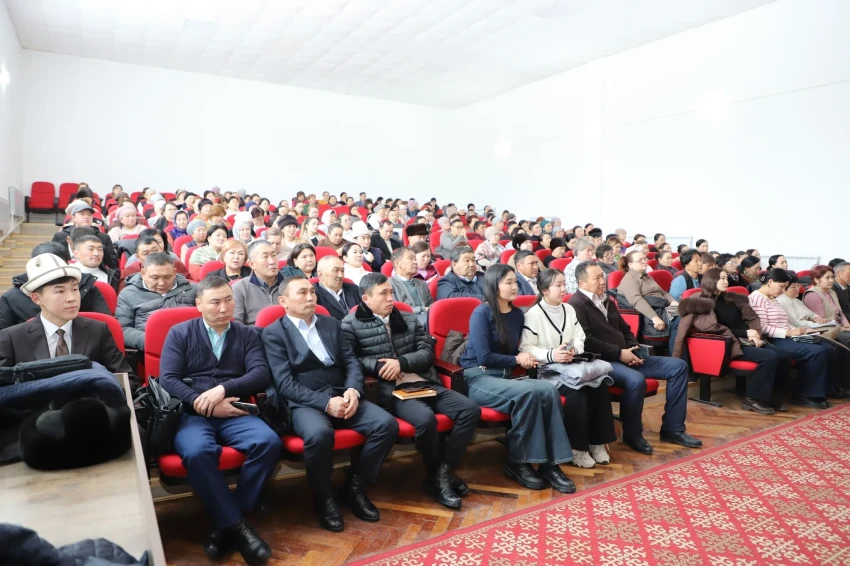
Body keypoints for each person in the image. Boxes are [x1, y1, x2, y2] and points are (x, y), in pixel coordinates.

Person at [159, 277, 278, 564]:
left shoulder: (246, 334)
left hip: (233, 408)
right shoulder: (180, 332)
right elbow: (168, 379)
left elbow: (260, 373)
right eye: (215, 302)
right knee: (197, 452)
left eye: (228, 300)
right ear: (199, 304)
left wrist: (223, 390)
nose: (224, 308)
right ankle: (238, 527)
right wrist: (205, 405)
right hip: (192, 412)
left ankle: (227, 524)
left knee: (269, 442)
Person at [263, 276, 398, 532]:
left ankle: (355, 488)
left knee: (386, 424)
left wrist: (352, 390)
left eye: (312, 292)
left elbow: (351, 362)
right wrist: (326, 403)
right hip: (304, 401)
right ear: (283, 301)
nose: (310, 297)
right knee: (319, 434)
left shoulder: (331, 323)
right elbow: (284, 384)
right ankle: (324, 497)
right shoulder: (274, 333)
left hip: (342, 393)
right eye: (302, 293)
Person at [342, 274, 479, 508]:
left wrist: (402, 362)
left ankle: (442, 473)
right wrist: (378, 366)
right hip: (392, 390)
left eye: (391, 292)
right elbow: (351, 360)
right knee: (425, 419)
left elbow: (427, 351)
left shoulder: (407, 317)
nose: (390, 298)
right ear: (366, 298)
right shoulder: (350, 324)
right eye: (383, 294)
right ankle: (438, 476)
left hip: (423, 381)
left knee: (470, 410)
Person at [460, 265, 575, 492]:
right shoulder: (482, 313)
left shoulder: (516, 314)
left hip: (506, 377)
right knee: (528, 393)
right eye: (509, 282)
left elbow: (518, 351)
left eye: (515, 282)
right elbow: (484, 357)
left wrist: (530, 357)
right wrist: (517, 360)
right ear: (494, 286)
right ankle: (518, 462)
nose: (515, 287)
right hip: (478, 376)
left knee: (548, 390)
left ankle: (551, 466)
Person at [569, 261, 700, 454]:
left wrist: (634, 349)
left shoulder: (606, 299)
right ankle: (632, 434)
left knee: (678, 367)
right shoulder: (576, 304)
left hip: (626, 355)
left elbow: (625, 329)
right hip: (603, 361)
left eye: (603, 276)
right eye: (596, 278)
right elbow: (587, 341)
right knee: (636, 380)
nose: (602, 281)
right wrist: (619, 353)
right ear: (582, 283)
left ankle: (673, 429)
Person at [520, 270, 616, 468]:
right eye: (558, 285)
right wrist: (552, 354)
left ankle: (596, 443)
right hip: (548, 371)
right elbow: (526, 348)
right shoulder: (533, 315)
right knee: (578, 391)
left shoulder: (569, 309)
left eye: (564, 284)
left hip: (572, 366)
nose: (564, 289)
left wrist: (574, 349)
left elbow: (580, 337)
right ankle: (577, 449)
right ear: (544, 290)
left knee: (598, 385)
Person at [0, 253, 136, 389]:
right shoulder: (12, 339)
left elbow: (126, 378)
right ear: (36, 298)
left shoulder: (98, 331)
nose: (72, 298)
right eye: (60, 291)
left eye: (75, 289)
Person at [676, 268, 783, 414]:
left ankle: (770, 396)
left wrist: (755, 335)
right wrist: (746, 333)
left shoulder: (732, 299)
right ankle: (752, 399)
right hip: (725, 345)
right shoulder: (702, 302)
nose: (726, 281)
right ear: (711, 280)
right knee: (769, 357)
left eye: (726, 278)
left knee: (783, 354)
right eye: (722, 278)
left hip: (744, 340)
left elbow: (747, 320)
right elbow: (711, 328)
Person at [749, 269, 829, 408]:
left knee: (827, 347)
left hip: (786, 335)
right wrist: (788, 333)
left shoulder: (772, 298)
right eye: (782, 286)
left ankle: (820, 391)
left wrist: (800, 331)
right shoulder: (757, 298)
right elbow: (762, 328)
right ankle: (804, 395)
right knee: (816, 352)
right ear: (770, 282)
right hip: (773, 339)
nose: (783, 291)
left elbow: (783, 321)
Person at [115, 252, 196, 350]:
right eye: (155, 278)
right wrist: (152, 341)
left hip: (192, 346)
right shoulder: (128, 294)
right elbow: (123, 329)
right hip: (150, 348)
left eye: (167, 277)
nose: (161, 283)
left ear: (175, 273)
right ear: (143, 273)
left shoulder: (194, 290)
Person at [616, 250, 680, 351]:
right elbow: (636, 300)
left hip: (662, 308)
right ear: (630, 265)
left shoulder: (647, 277)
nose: (644, 261)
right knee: (679, 321)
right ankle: (676, 355)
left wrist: (673, 302)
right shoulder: (629, 279)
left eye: (645, 259)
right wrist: (655, 318)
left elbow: (663, 293)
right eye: (640, 260)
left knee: (687, 317)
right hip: (653, 313)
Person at [232, 240, 285, 325]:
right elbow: (236, 325)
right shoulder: (239, 288)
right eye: (265, 257)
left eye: (274, 255)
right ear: (252, 264)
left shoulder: (290, 285)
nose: (272, 262)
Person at [52, 201, 118, 269]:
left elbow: (113, 262)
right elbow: (52, 258)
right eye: (82, 214)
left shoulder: (103, 237)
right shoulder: (61, 236)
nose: (86, 217)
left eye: (89, 215)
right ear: (73, 218)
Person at [389, 247, 432, 326]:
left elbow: (431, 306)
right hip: (406, 322)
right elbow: (395, 310)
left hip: (428, 319)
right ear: (397, 263)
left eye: (415, 259)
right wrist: (422, 309)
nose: (415, 262)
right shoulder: (389, 284)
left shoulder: (422, 284)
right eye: (411, 258)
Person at [313, 256, 361, 320]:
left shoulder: (353, 288)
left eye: (342, 271)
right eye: (336, 270)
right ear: (321, 275)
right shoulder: (313, 294)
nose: (341, 275)